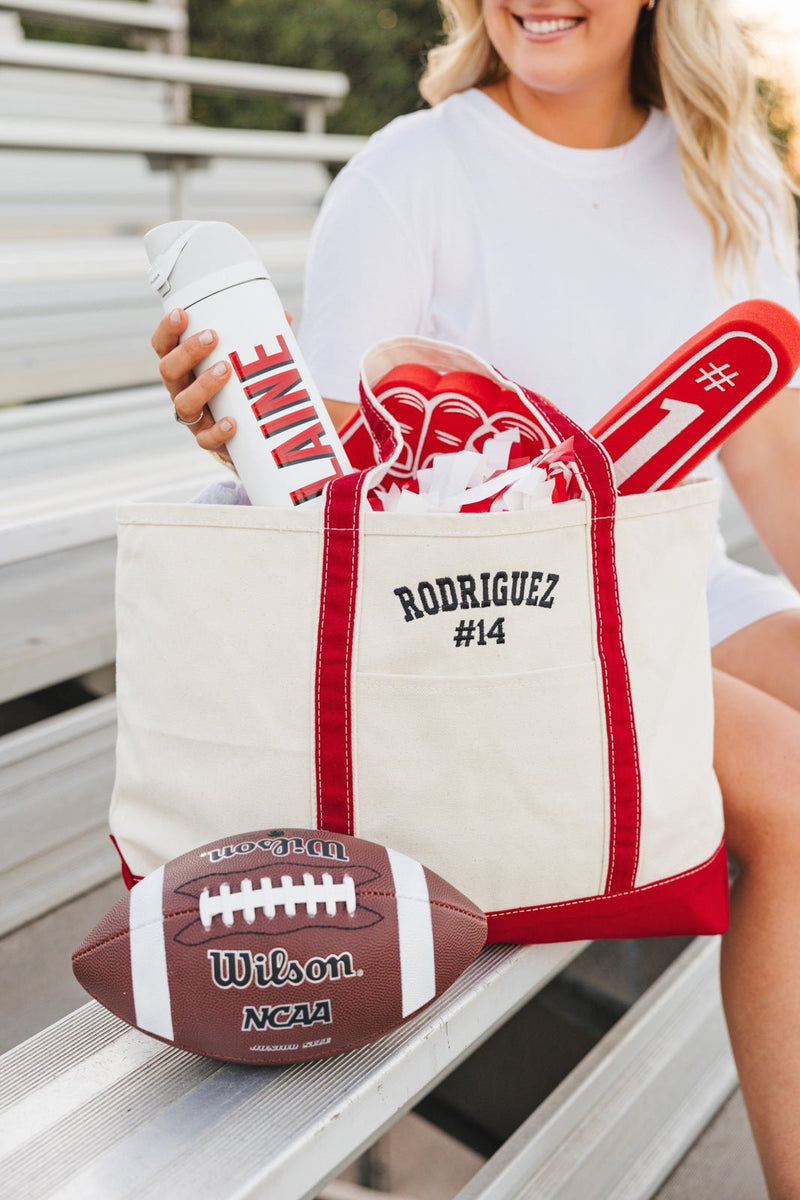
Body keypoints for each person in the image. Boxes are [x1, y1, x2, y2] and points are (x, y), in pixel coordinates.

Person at [152, 1, 800, 1191]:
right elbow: (334, 487)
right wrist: (232, 426)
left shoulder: (728, 175)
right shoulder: (413, 172)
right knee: (793, 794)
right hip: (495, 618)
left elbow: (767, 458)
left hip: (667, 581)